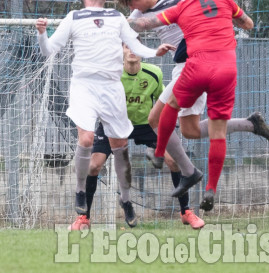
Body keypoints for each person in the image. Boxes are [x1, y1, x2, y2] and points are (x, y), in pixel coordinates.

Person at [36, 0, 175, 230]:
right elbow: (49, 50)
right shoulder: (74, 17)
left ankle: (126, 199)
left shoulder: (116, 16)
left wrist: (155, 52)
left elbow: (135, 44)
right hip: (84, 86)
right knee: (87, 139)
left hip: (112, 88)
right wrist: (42, 33)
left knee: (120, 147)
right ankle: (79, 192)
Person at [126, 0, 257, 212]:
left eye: (132, 4)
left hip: (193, 66)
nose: (132, 10)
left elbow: (145, 25)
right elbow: (248, 24)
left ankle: (174, 163)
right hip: (227, 68)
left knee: (162, 114)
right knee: (193, 130)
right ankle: (210, 183)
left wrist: (113, 22)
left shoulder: (181, 3)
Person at [69, 44, 205, 231]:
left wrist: (168, 125)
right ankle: (84, 217)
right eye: (127, 46)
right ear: (121, 51)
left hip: (146, 125)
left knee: (174, 160)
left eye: (135, 46)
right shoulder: (111, 74)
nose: (131, 50)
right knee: (94, 165)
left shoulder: (154, 73)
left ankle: (186, 212)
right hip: (115, 124)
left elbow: (163, 102)